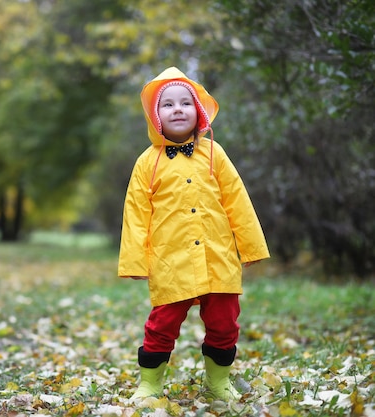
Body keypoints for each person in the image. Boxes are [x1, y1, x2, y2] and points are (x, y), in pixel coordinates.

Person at [118, 66, 270, 402]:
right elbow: (136, 214)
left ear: (198, 111)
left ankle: (217, 382)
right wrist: (135, 262)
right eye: (167, 104)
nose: (177, 109)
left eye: (185, 103)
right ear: (154, 115)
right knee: (161, 325)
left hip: (218, 258)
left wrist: (251, 248)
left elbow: (237, 201)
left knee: (225, 323)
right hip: (170, 260)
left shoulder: (215, 154)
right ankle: (149, 384)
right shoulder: (147, 163)